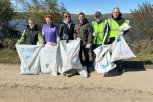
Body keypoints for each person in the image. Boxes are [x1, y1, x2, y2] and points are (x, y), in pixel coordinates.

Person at [104, 7, 130, 76]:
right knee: (111, 55)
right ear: (112, 13)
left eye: (117, 12)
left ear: (119, 13)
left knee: (119, 54)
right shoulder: (109, 21)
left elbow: (128, 28)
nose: (115, 14)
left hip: (120, 40)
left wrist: (123, 33)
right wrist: (105, 42)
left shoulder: (124, 20)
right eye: (114, 12)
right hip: (111, 40)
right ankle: (111, 68)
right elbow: (106, 31)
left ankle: (119, 68)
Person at [57, 12, 76, 77]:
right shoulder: (62, 24)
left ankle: (70, 68)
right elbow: (59, 33)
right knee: (64, 55)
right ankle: (64, 68)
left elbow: (74, 33)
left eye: (68, 16)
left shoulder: (73, 24)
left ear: (70, 17)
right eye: (66, 16)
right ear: (64, 17)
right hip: (63, 42)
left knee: (70, 55)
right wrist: (58, 41)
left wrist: (76, 38)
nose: (67, 17)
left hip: (71, 42)